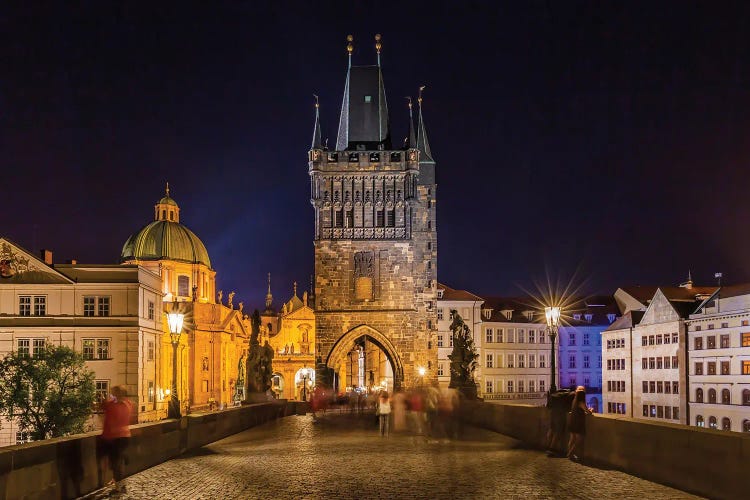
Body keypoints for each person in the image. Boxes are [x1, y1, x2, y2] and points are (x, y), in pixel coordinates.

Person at [100, 385, 133, 495]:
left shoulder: (112, 406)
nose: (111, 395)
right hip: (125, 436)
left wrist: (105, 398)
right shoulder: (128, 404)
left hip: (114, 438)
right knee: (117, 462)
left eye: (113, 393)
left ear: (117, 394)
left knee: (115, 464)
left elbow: (103, 406)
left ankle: (120, 487)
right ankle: (119, 483)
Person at [567, 386, 593, 461]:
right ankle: (570, 454)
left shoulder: (574, 401)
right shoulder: (581, 402)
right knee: (579, 439)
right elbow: (588, 412)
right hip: (578, 422)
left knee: (572, 439)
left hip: (572, 420)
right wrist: (591, 410)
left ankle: (569, 453)